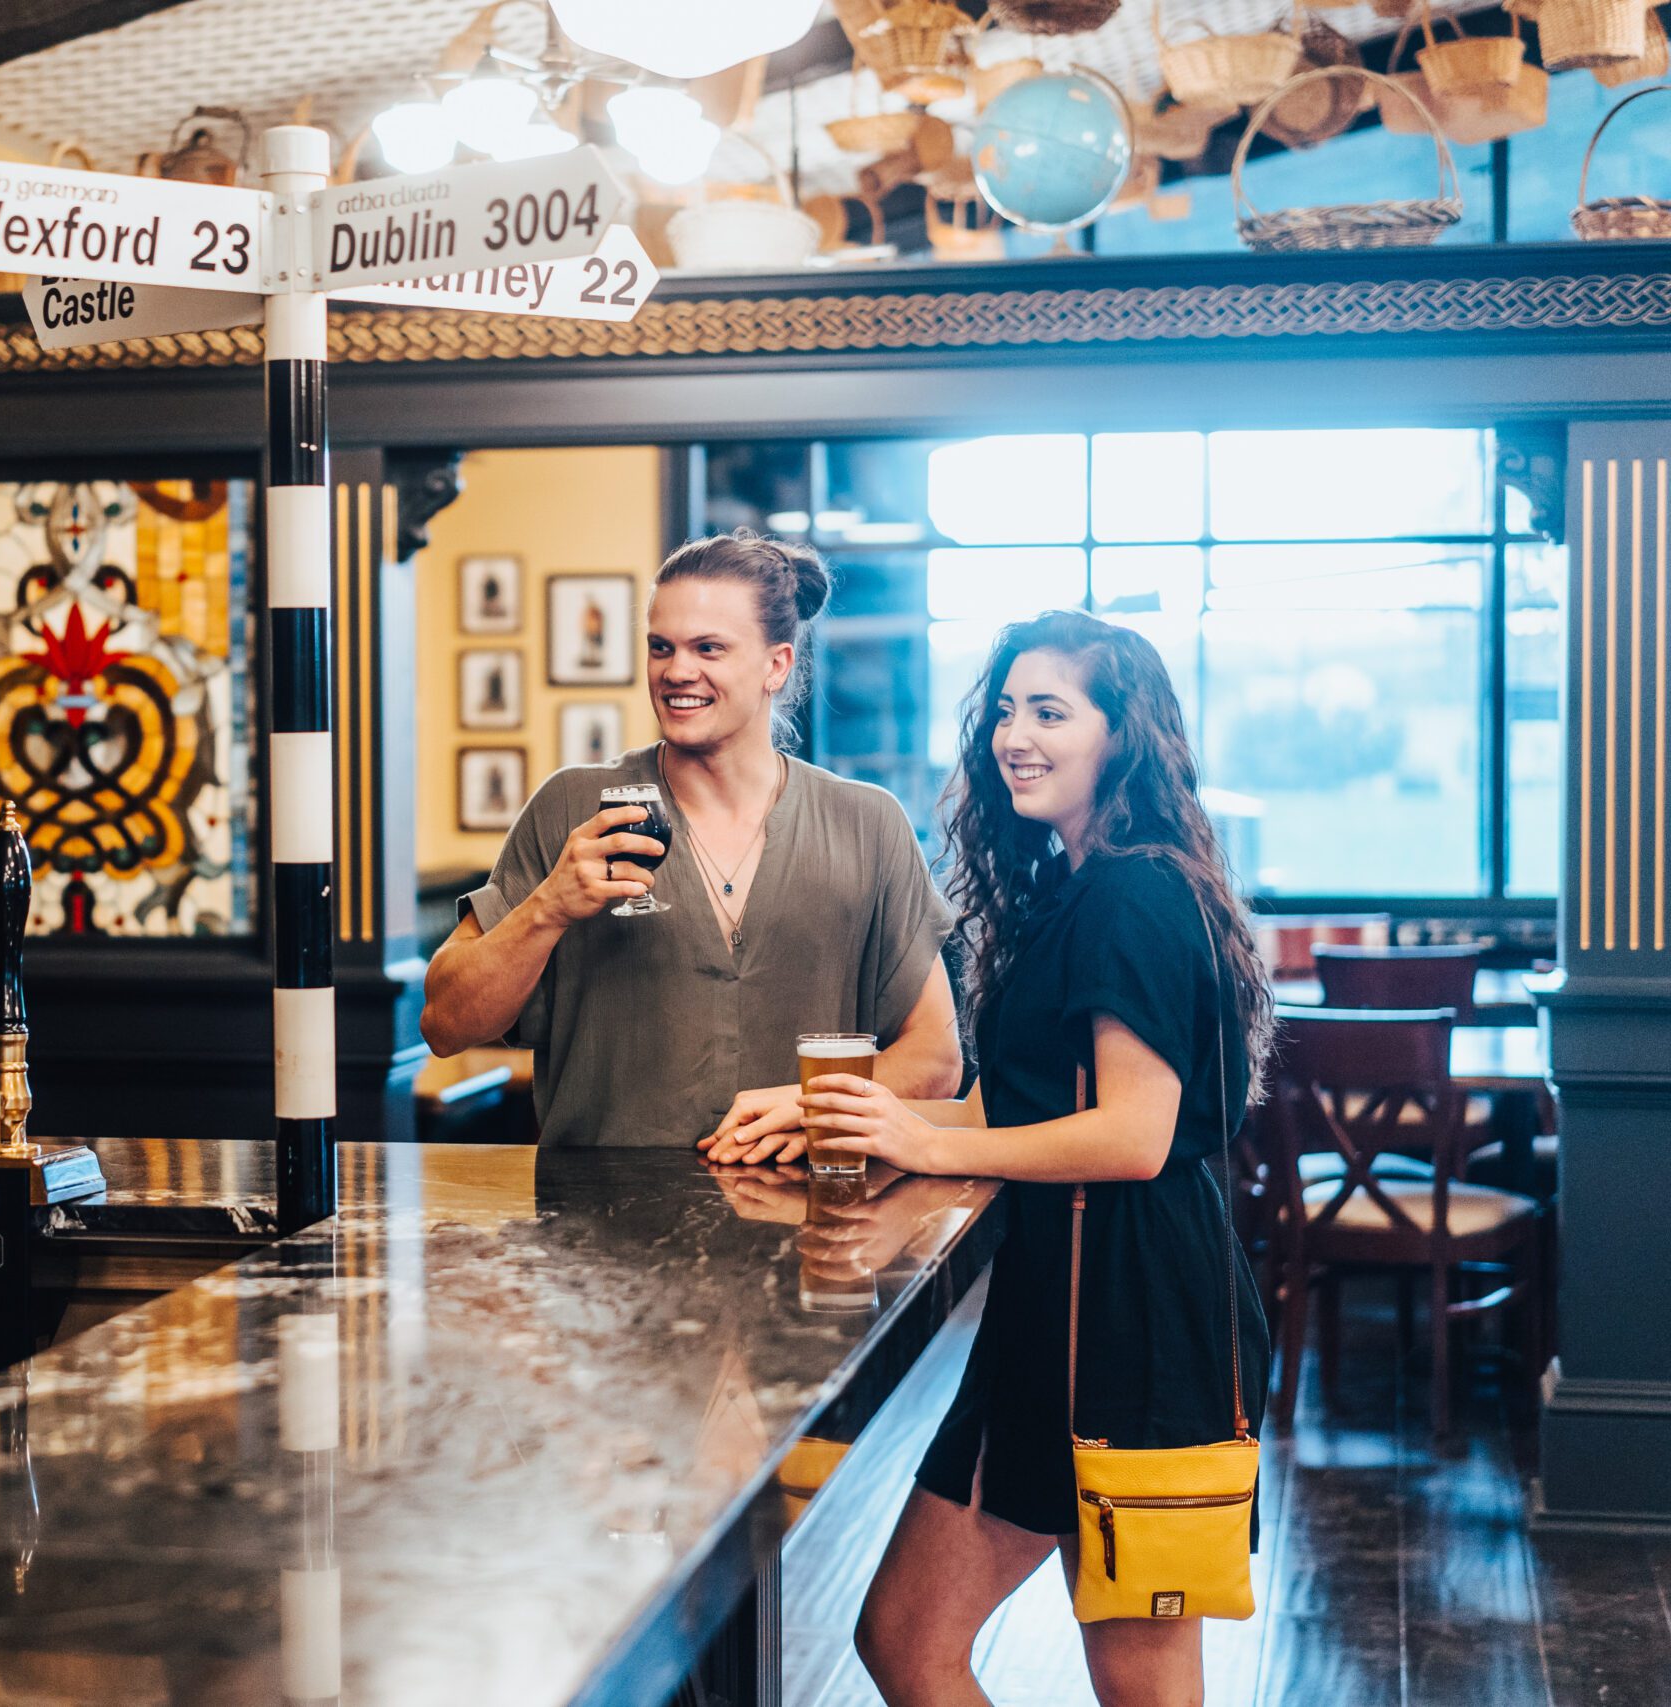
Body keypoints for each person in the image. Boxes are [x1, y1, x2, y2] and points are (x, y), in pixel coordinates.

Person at [801, 611, 1275, 1707]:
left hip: (1134, 1320)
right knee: (908, 1636)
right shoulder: (1079, 886)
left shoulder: (1135, 892)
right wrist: (855, 1119)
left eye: (1050, 712)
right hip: (1058, 1309)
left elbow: (1133, 1135)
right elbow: (1010, 1103)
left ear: (1123, 736)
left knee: (1132, 1682)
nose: (1014, 735)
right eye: (1007, 710)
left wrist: (926, 1138)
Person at [421, 531, 963, 1147]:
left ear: (776, 665)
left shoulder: (867, 823)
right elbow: (445, 1025)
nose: (677, 671)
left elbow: (935, 1059)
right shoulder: (571, 807)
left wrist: (804, 1108)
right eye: (662, 647)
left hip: (807, 1200)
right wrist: (549, 907)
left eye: (709, 648)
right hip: (597, 1207)